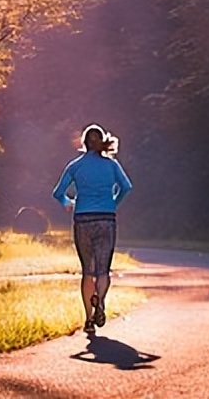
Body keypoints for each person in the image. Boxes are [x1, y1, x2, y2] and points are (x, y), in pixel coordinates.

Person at [52, 123, 133, 335]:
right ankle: (101, 303)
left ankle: (88, 319)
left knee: (87, 271)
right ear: (102, 141)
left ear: (84, 143)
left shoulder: (75, 165)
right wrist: (114, 203)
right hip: (106, 219)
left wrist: (67, 203)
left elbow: (58, 192)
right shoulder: (112, 165)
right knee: (103, 270)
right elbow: (127, 187)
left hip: (82, 219)